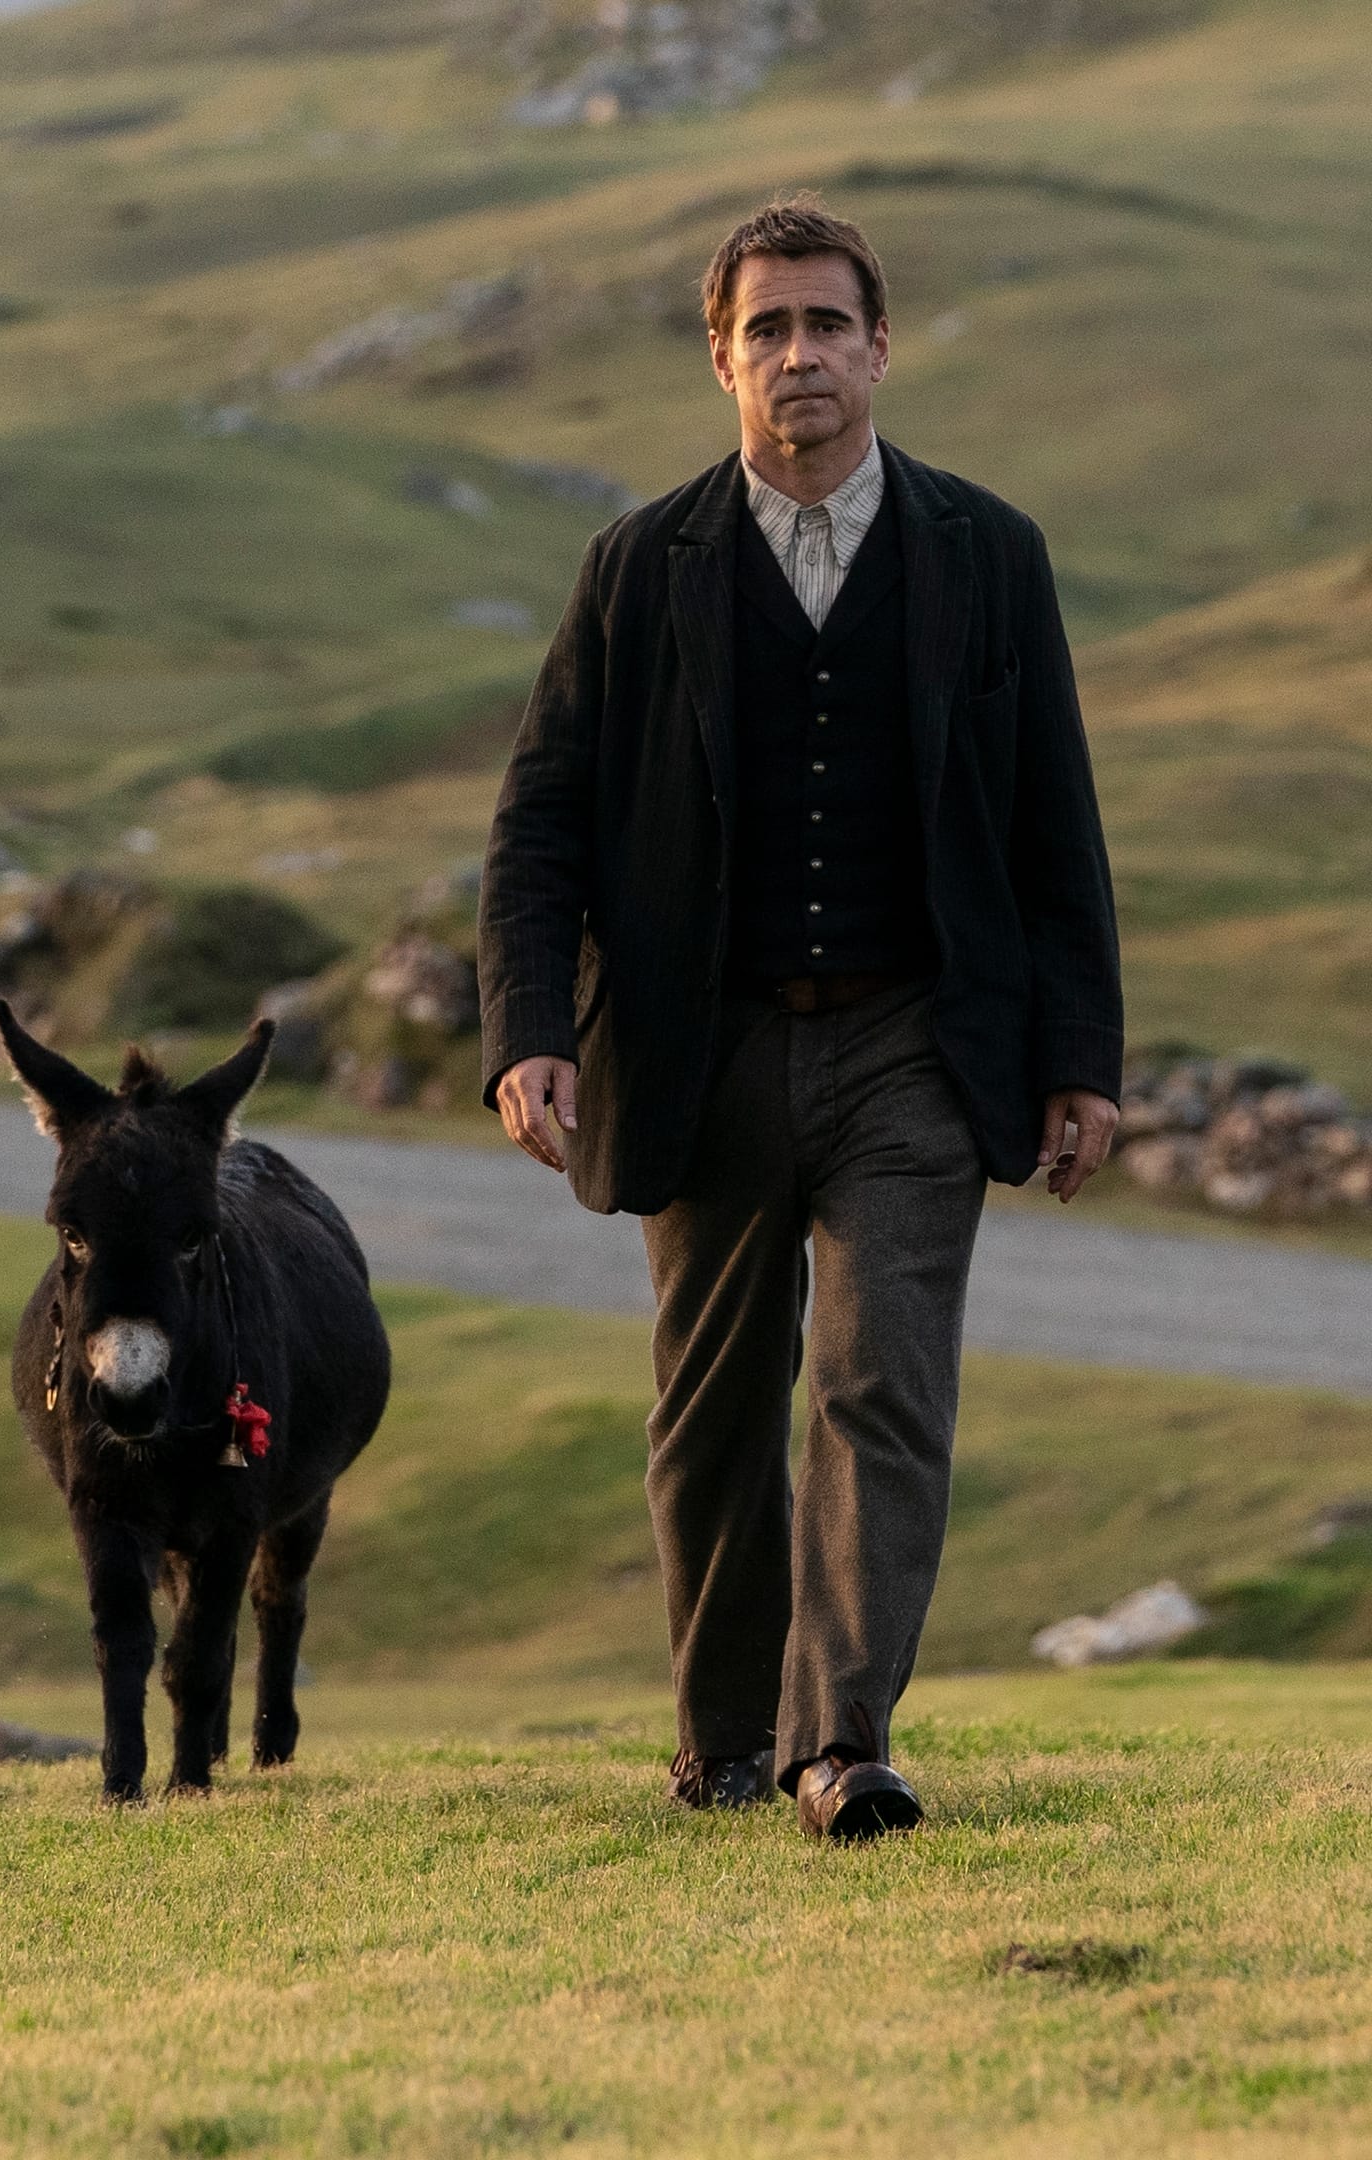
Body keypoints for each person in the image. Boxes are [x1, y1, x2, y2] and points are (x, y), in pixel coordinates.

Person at [476, 193, 1123, 1842]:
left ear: (881, 346)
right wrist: (528, 1030)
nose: (801, 355)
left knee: (879, 1383)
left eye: (828, 323)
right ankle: (720, 1737)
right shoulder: (637, 570)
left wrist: (1079, 1063)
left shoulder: (992, 555)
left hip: (917, 1042)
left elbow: (1058, 827)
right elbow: (541, 818)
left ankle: (842, 1739)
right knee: (711, 1410)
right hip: (704, 1047)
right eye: (767, 329)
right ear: (721, 361)